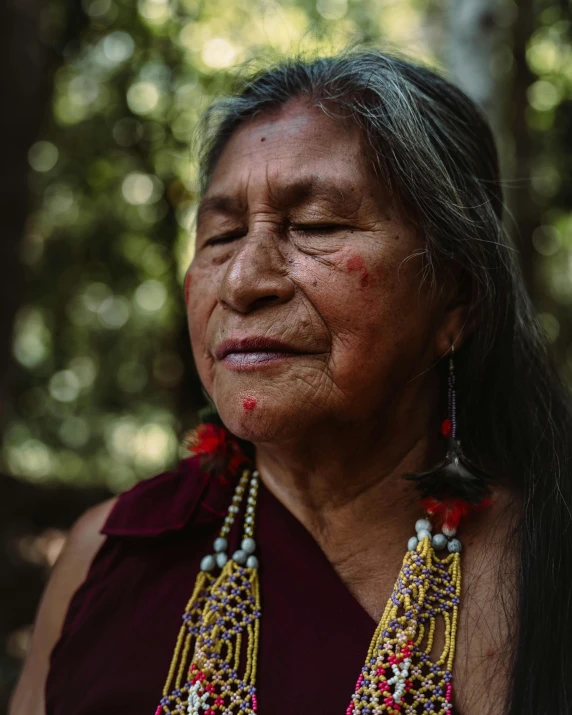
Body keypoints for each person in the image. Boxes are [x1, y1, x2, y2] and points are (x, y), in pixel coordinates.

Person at [9, 48, 572, 715]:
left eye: (315, 226)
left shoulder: (546, 563)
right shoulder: (105, 556)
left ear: (456, 299)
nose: (245, 280)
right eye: (220, 235)